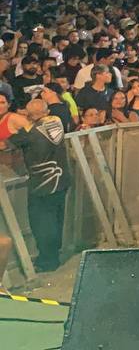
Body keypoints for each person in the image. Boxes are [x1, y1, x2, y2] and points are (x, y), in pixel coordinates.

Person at [6, 98, 70, 272]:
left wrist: (21, 122)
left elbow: (6, 143)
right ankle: (54, 255)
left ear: (29, 115)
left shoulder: (29, 132)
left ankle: (47, 261)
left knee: (41, 224)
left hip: (42, 185)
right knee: (56, 220)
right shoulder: (56, 122)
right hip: (61, 180)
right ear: (47, 112)